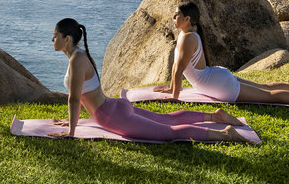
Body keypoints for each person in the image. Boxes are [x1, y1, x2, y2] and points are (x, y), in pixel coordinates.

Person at [50, 17, 254, 143]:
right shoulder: (80, 55)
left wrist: (71, 131)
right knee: (168, 120)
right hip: (113, 107)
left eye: (55, 36)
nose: (53, 40)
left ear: (67, 39)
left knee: (169, 131)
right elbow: (85, 95)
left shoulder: (77, 60)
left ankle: (225, 134)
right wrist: (72, 120)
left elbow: (75, 99)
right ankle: (215, 117)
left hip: (111, 116)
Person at [156, 2, 289, 109]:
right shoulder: (188, 35)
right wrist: (171, 88)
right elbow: (176, 69)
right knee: (266, 88)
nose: (174, 17)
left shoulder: (186, 38)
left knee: (270, 96)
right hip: (216, 78)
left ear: (187, 19)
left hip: (218, 85)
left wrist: (174, 95)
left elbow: (179, 69)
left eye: (176, 15)